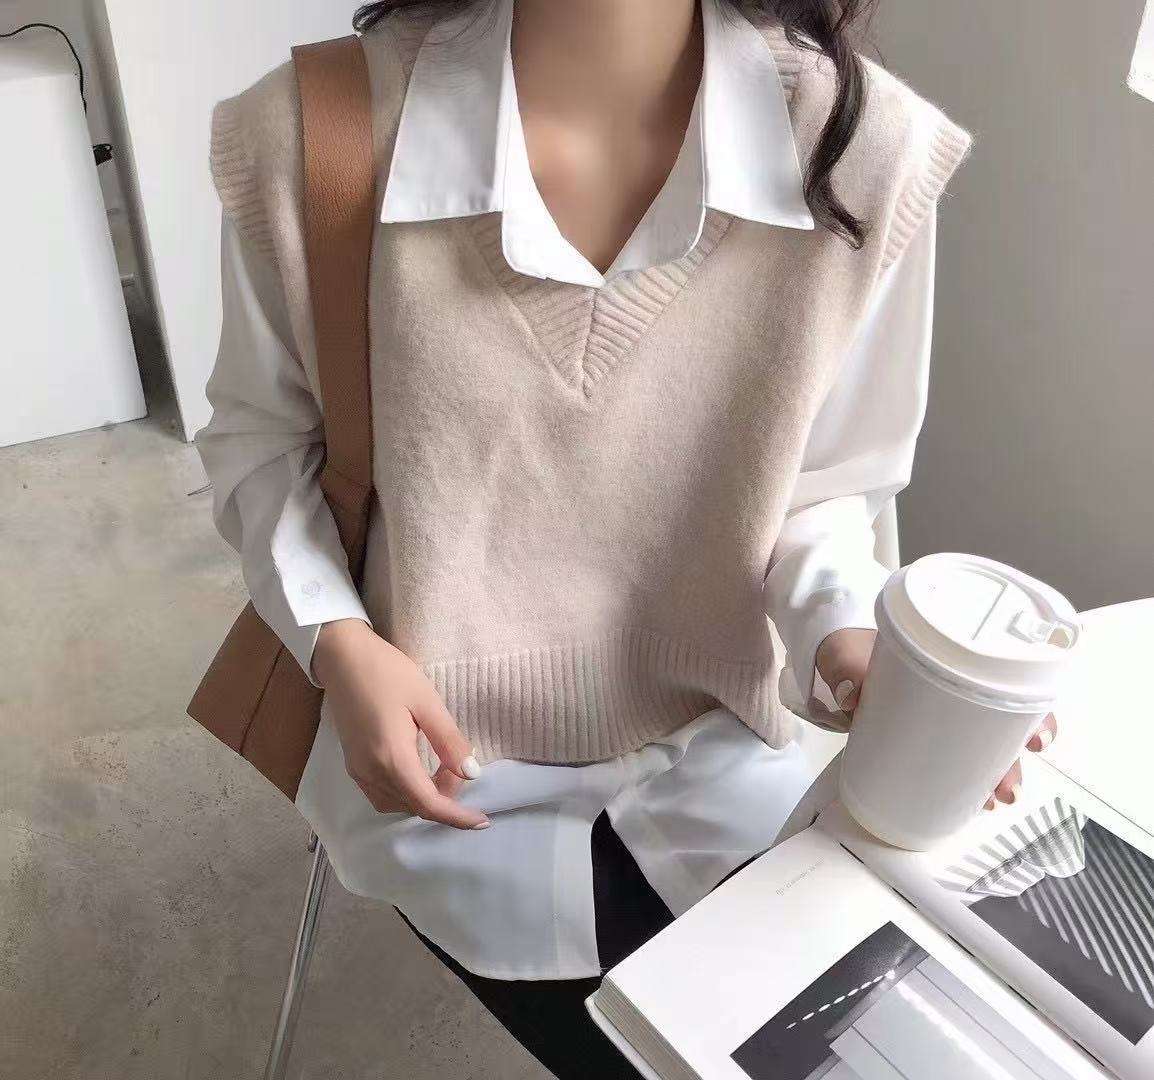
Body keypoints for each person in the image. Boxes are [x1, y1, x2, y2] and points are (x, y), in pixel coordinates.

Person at [195, 1, 1054, 1075]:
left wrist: (850, 639)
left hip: (729, 748)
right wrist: (338, 642)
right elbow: (263, 443)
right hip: (440, 765)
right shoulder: (313, 136)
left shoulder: (863, 152)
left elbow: (823, 485)